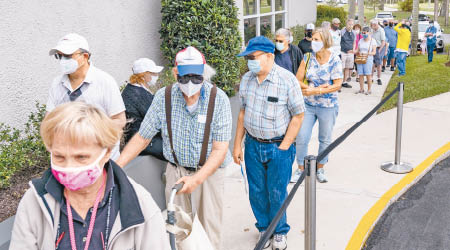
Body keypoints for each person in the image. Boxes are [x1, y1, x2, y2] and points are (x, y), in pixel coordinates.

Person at [10, 102, 170, 250]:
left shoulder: (140, 205)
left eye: (81, 157)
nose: (69, 167)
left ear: (107, 152)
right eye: (59, 157)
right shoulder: (35, 202)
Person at [117, 46, 232, 250]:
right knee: (178, 232)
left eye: (196, 77)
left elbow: (220, 149)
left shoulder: (218, 99)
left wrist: (197, 179)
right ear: (175, 73)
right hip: (176, 172)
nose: (190, 83)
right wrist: (116, 166)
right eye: (184, 77)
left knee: (208, 231)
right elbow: (143, 136)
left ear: (204, 73)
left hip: (209, 174)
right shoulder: (164, 97)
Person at [233, 36, 305, 250]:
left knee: (276, 192)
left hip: (278, 147)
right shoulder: (247, 79)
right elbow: (242, 114)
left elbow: (298, 115)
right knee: (256, 191)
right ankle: (264, 228)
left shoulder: (287, 80)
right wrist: (237, 145)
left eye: (252, 57)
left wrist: (285, 146)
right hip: (253, 146)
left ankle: (280, 232)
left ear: (269, 56)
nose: (249, 62)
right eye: (247, 58)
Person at [46, 33, 126, 160]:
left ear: (85, 56)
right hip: (69, 160)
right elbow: (49, 120)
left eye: (67, 56)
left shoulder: (104, 81)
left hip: (102, 159)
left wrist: (94, 138)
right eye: (59, 56)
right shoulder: (57, 84)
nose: (62, 61)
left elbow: (119, 120)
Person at [290, 28, 343, 184]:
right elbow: (297, 79)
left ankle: (320, 167)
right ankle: (300, 168)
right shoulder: (307, 58)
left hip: (328, 106)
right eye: (312, 39)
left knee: (325, 139)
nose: (313, 42)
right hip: (308, 105)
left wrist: (316, 90)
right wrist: (309, 89)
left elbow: (337, 84)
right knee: (301, 137)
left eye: (317, 40)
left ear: (325, 41)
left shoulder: (335, 60)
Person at [121, 58, 166, 160]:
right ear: (145, 75)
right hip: (141, 141)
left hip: (142, 137)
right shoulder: (137, 94)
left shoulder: (134, 89)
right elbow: (157, 120)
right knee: (175, 151)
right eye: (154, 74)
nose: (156, 77)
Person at [355, 27, 377, 95]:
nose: (364, 34)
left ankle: (369, 89)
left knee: (368, 74)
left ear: (369, 32)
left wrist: (367, 53)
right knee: (360, 74)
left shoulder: (372, 41)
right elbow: (357, 50)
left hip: (368, 59)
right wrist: (353, 51)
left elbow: (374, 52)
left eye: (365, 32)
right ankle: (361, 89)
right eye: (363, 33)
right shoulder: (360, 40)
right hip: (360, 58)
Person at [370, 20, 386, 85]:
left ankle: (379, 78)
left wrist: (379, 50)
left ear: (377, 25)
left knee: (379, 64)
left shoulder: (381, 30)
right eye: (372, 25)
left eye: (374, 25)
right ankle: (371, 78)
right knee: (372, 64)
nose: (373, 27)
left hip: (379, 47)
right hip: (373, 48)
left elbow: (383, 42)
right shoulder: (372, 30)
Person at [340, 19, 355, 88]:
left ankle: (344, 82)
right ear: (346, 24)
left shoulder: (354, 32)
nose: (350, 26)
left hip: (350, 53)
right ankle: (338, 83)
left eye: (352, 24)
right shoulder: (342, 31)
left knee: (347, 68)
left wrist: (353, 50)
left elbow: (354, 42)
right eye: (349, 24)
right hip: (343, 52)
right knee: (341, 68)